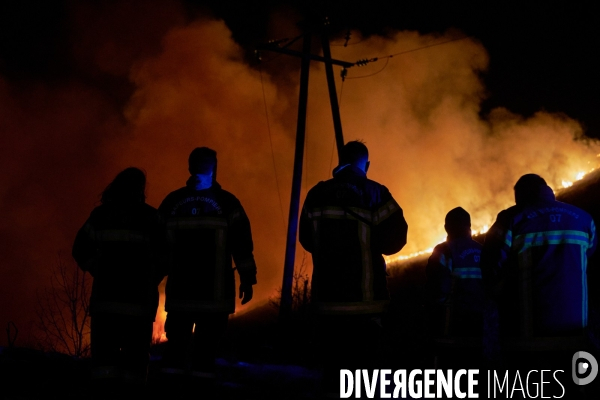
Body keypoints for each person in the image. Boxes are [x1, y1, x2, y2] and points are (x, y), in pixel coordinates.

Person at [299, 140, 408, 396]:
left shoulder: (317, 194)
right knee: (363, 374)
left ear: (341, 161)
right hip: (366, 304)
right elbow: (397, 239)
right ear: (366, 164)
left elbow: (306, 238)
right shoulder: (376, 193)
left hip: (328, 302)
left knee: (332, 373)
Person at [480, 174, 597, 392]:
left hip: (526, 338)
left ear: (520, 195)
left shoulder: (511, 219)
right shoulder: (584, 219)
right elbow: (588, 255)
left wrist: (497, 294)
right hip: (574, 335)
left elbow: (490, 267)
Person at [158, 147, 257, 390]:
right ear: (214, 168)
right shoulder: (227, 203)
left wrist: (152, 279)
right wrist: (247, 279)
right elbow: (242, 245)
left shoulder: (172, 202)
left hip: (180, 296)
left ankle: (170, 399)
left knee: (174, 356)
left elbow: (158, 246)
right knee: (205, 357)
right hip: (215, 298)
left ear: (190, 167)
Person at [72, 167, 164, 394]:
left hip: (106, 304)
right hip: (139, 306)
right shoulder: (151, 218)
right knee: (134, 365)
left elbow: (80, 249)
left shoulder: (101, 216)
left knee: (104, 363)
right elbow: (166, 256)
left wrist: (98, 269)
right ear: (141, 189)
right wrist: (151, 279)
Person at [425, 207, 484, 368]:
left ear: (447, 227)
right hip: (481, 324)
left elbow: (437, 288)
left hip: (452, 323)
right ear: (469, 226)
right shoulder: (483, 250)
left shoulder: (444, 250)